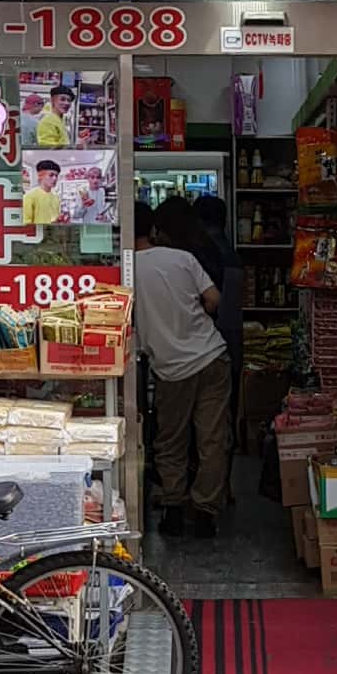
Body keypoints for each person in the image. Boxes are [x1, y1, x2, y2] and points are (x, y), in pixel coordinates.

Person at [134, 200, 230, 538]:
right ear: (153, 229)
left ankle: (173, 507)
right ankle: (205, 511)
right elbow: (214, 299)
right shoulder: (182, 258)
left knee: (171, 440)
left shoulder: (124, 270)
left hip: (171, 368)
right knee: (212, 439)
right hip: (211, 356)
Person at [194, 195, 244, 455]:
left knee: (207, 411)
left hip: (209, 340)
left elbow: (209, 302)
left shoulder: (202, 254)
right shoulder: (231, 253)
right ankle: (229, 443)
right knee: (226, 401)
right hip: (233, 334)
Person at [22, 159, 61, 225]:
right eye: (51, 175)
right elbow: (26, 224)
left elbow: (56, 217)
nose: (55, 178)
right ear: (40, 176)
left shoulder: (56, 197)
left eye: (56, 176)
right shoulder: (29, 197)